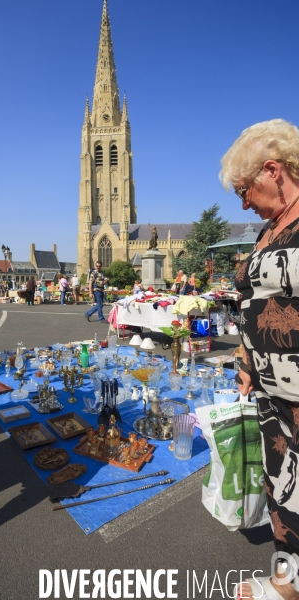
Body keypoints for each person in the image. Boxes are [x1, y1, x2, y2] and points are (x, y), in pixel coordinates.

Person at [220, 119, 299, 600]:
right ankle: (289, 581)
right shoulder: (271, 229)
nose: (244, 203)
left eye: (244, 191)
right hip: (272, 392)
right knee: (283, 489)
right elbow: (253, 302)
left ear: (273, 171)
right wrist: (247, 358)